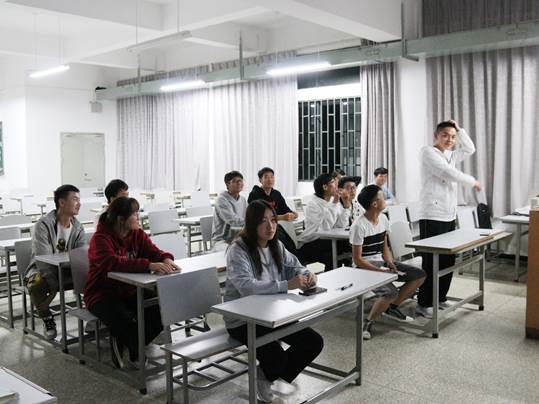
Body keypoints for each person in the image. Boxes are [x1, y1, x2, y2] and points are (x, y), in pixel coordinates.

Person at [224, 200, 323, 402]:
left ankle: (268, 374)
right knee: (277, 358)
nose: (270, 226)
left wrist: (307, 274)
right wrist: (287, 285)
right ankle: (270, 372)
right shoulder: (238, 249)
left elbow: (295, 266)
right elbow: (247, 286)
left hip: (272, 314)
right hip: (244, 320)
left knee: (313, 342)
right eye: (263, 221)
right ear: (251, 224)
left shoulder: (276, 245)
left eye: (273, 220)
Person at [84, 197, 181, 369]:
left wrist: (165, 258)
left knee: (163, 311)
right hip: (102, 293)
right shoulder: (100, 239)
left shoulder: (137, 234)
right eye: (134, 214)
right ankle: (134, 348)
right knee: (126, 321)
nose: (138, 217)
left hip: (130, 289)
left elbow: (154, 252)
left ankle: (124, 340)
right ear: (121, 219)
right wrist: (148, 265)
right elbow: (112, 263)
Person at [416, 120, 481, 318]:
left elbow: (470, 148)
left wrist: (459, 129)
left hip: (449, 214)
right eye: (445, 135)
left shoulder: (451, 155)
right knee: (431, 261)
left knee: (448, 259)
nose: (450, 140)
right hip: (432, 215)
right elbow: (448, 173)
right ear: (436, 135)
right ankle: (424, 303)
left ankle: (440, 297)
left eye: (453, 137)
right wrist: (472, 181)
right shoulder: (428, 152)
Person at [350, 185, 426, 339]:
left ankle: (391, 307)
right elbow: (358, 259)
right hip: (363, 268)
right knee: (390, 292)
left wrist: (390, 262)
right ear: (374, 204)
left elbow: (384, 246)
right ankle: (368, 322)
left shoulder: (383, 219)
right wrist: (379, 271)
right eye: (382, 198)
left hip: (381, 263)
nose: (385, 200)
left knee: (419, 275)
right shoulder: (358, 225)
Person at [24, 185, 86, 340]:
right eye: (75, 199)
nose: (79, 204)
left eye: (79, 200)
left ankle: (94, 315)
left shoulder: (78, 227)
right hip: (43, 269)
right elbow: (43, 259)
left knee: (96, 276)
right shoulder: (43, 225)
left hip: (67, 269)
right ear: (62, 203)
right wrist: (53, 285)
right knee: (35, 285)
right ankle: (47, 318)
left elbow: (80, 255)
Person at [297, 173, 348, 271]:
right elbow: (325, 227)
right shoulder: (313, 204)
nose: (336, 185)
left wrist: (345, 205)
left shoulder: (333, 201)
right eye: (333, 182)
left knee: (348, 244)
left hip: (327, 239)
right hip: (311, 241)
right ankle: (332, 275)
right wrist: (335, 203)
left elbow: (341, 224)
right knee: (337, 248)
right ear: (325, 187)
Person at [248, 167, 298, 253]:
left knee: (290, 244)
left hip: (276, 226)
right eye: (266, 177)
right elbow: (258, 216)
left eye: (272, 177)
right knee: (283, 243)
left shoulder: (276, 194)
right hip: (262, 228)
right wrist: (282, 217)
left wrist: (293, 213)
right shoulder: (254, 194)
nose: (270, 179)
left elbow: (285, 209)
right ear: (260, 180)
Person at [211, 171, 248, 250]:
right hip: (222, 240)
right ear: (227, 184)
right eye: (235, 181)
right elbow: (233, 220)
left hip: (238, 237)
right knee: (235, 251)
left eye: (240, 181)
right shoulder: (221, 200)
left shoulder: (243, 200)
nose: (239, 183)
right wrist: (252, 222)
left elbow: (249, 216)